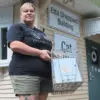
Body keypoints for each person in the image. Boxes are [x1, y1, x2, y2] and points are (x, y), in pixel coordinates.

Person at [7, 2, 52, 100]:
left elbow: (46, 50)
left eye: (31, 11)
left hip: (44, 75)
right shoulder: (17, 27)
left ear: (35, 14)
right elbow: (14, 45)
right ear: (21, 14)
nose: (29, 13)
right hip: (25, 73)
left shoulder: (41, 33)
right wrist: (40, 52)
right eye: (25, 11)